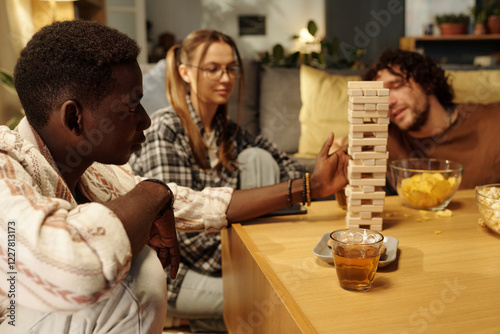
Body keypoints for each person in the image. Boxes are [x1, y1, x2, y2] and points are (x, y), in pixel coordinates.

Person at [0, 21, 349, 333]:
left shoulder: (99, 174)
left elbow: (196, 202)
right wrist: (153, 194)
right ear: (75, 118)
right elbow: (77, 265)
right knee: (139, 275)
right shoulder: (5, 165)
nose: (145, 120)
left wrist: (313, 185)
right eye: (132, 105)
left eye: (231, 69)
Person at [129, 29, 305, 332]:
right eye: (213, 69)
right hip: (175, 271)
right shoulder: (166, 129)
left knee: (258, 157)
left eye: (230, 69)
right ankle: (194, 313)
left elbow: (287, 166)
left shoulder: (229, 131)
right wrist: (241, 267)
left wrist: (316, 180)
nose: (225, 78)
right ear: (185, 72)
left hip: (222, 255)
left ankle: (204, 319)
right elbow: (180, 235)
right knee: (270, 302)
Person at [363, 49, 500, 189]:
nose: (389, 102)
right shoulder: (382, 140)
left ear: (426, 83)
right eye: (380, 97)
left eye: (396, 86)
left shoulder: (492, 121)